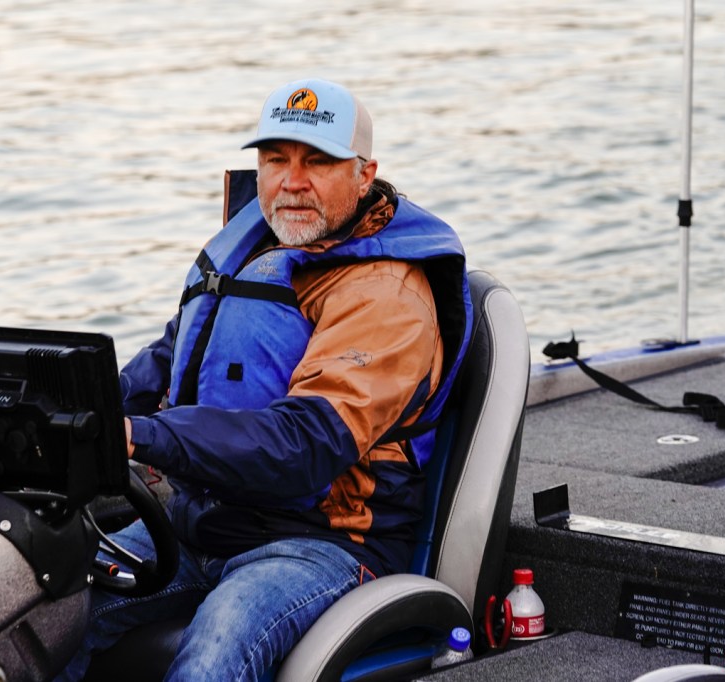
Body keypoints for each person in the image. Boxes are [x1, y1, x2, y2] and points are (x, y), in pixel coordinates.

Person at [61, 78, 473, 681]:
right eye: (276, 160)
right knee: (47, 607)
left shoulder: (388, 293)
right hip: (202, 525)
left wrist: (141, 436)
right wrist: (69, 410)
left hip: (323, 543)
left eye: (318, 162)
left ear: (365, 174)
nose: (292, 181)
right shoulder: (256, 251)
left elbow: (305, 445)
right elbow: (164, 364)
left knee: (216, 648)